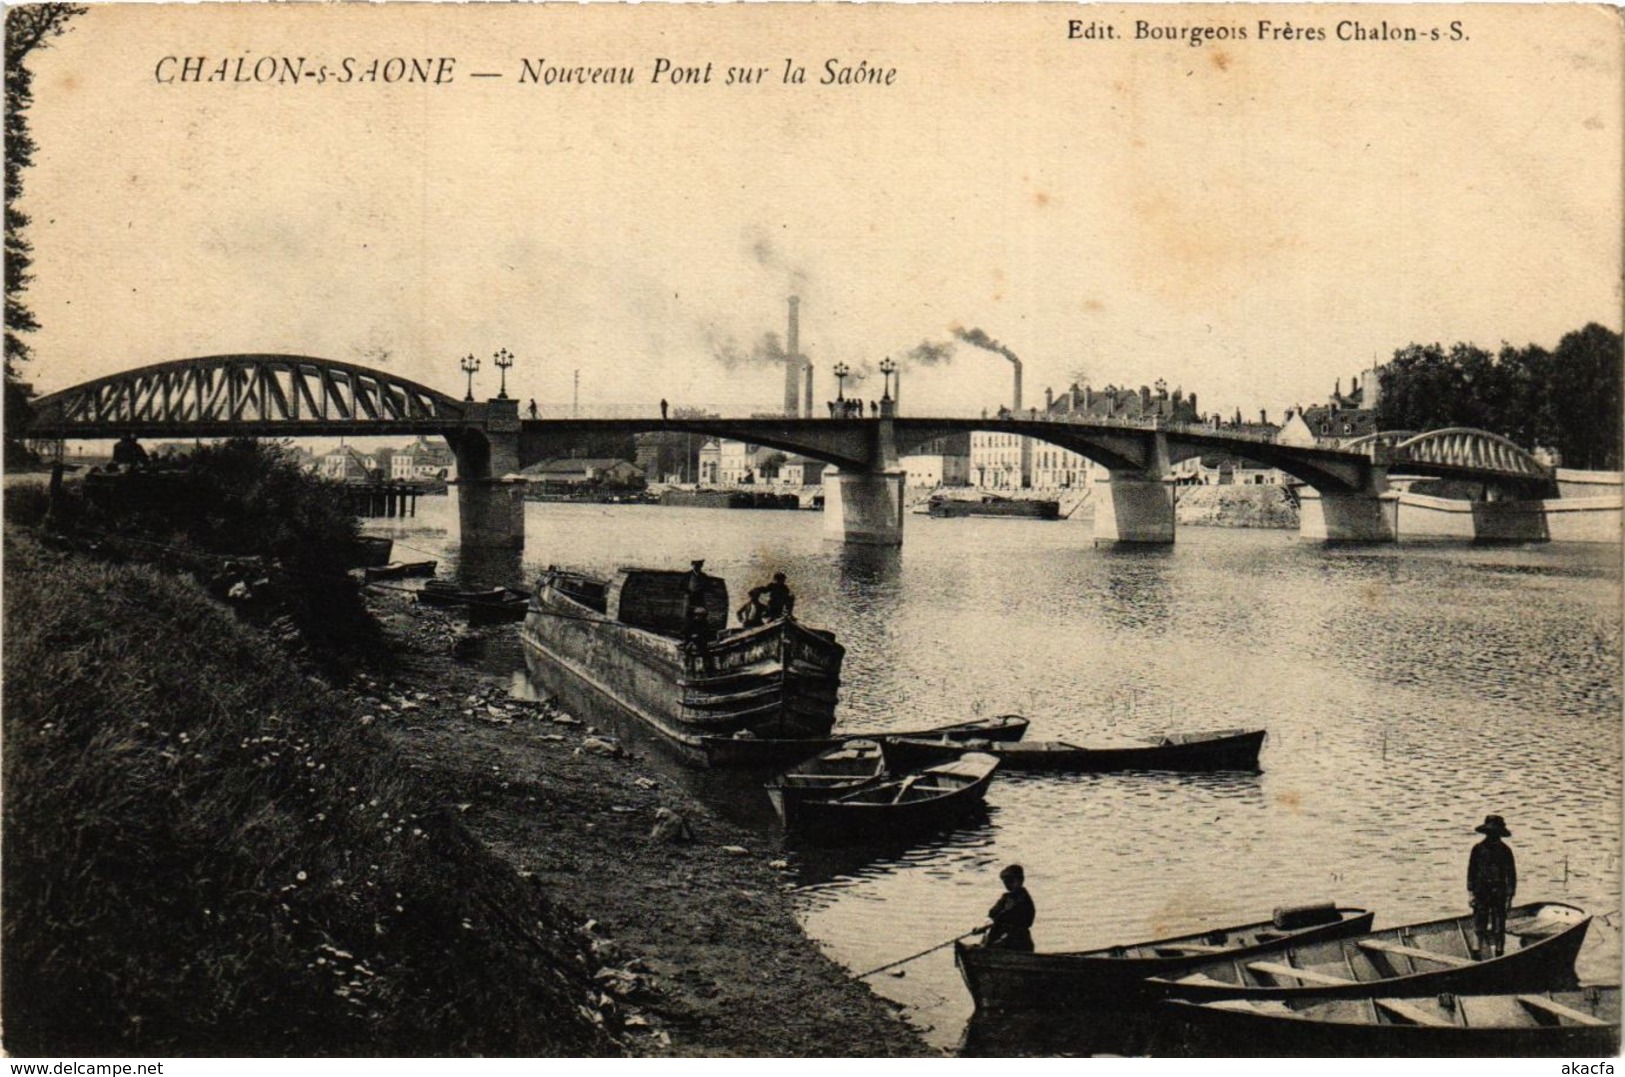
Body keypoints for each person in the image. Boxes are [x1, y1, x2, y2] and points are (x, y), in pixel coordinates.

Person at [1468, 814, 1517, 958]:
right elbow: (1471, 873)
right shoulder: (1477, 849)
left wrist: (1509, 897)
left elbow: (1511, 876)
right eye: (1491, 833)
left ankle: (1499, 954)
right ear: (1486, 833)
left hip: (1499, 893)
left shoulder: (1506, 851)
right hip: (1481, 893)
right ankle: (1476, 956)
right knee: (1479, 926)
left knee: (1499, 926)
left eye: (1496, 834)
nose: (1493, 836)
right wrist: (1471, 894)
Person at [979, 864, 1035, 951]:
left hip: (1018, 941)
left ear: (1021, 880)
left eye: (1011, 881)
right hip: (1003, 936)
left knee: (999, 943)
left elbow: (1023, 921)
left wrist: (999, 922)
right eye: (1006, 882)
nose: (1008, 885)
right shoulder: (1005, 898)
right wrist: (983, 927)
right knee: (989, 939)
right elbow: (993, 913)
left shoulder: (1024, 900)